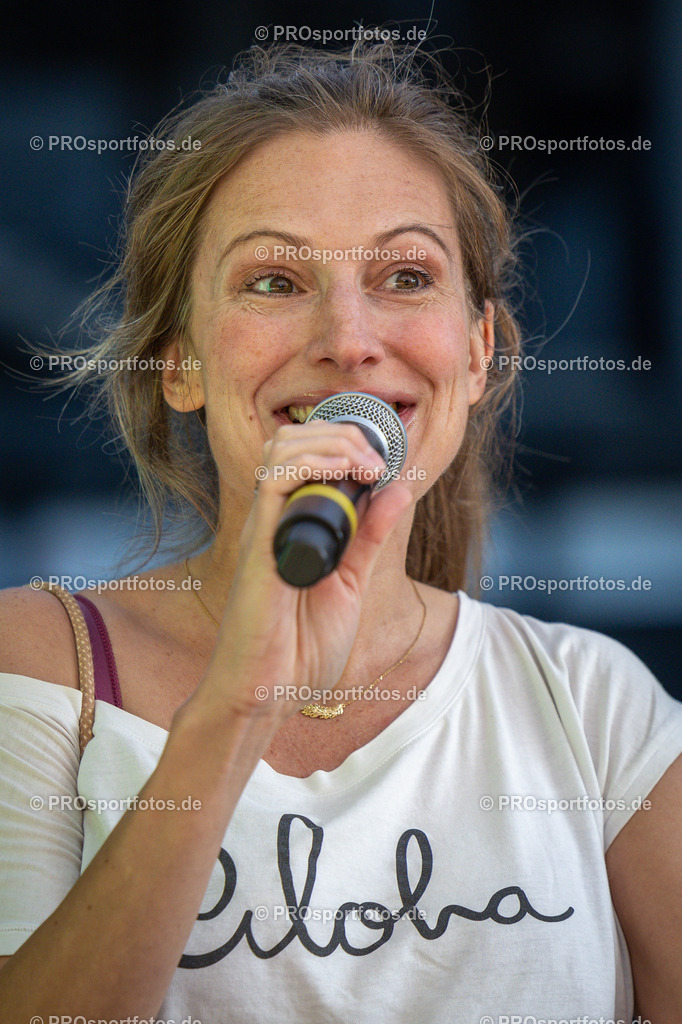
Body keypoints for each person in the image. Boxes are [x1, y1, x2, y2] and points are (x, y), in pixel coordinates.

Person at [1, 41, 681, 1023]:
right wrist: (237, 703)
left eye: (406, 276)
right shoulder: (41, 666)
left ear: (478, 349)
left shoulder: (595, 709)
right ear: (178, 362)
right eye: (274, 281)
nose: (348, 336)